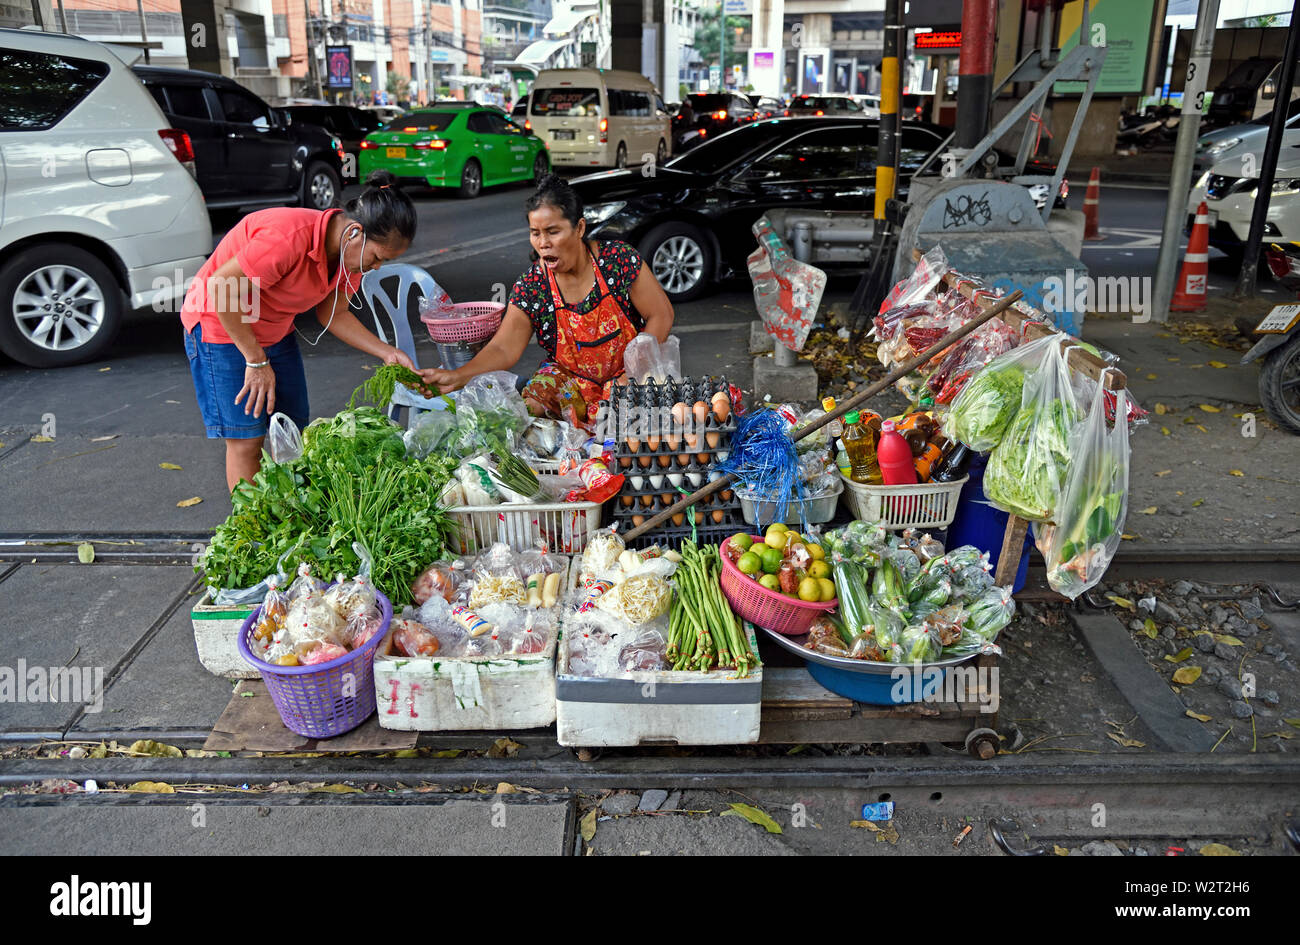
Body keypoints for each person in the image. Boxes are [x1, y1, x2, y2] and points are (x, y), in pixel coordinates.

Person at [181, 169, 418, 492]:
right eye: (378, 257)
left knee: (293, 432)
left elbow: (334, 314)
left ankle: (288, 516)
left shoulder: (352, 258)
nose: (376, 267)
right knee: (247, 440)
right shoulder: (289, 236)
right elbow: (221, 287)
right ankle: (250, 531)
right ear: (355, 233)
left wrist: (387, 352)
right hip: (222, 327)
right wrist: (255, 360)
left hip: (275, 332)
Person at [418, 175, 674, 426]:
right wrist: (458, 376)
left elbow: (661, 315)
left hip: (628, 372)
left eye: (552, 232)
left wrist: (633, 369)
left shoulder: (617, 261)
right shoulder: (533, 286)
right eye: (535, 233)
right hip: (568, 381)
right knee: (530, 406)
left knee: (637, 418)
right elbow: (504, 348)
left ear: (580, 228)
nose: (543, 243)